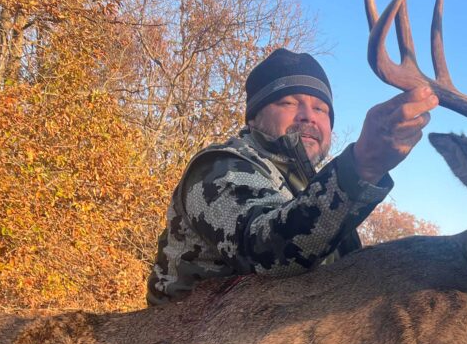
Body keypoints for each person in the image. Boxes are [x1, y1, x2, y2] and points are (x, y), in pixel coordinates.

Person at [146, 48, 438, 305]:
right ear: (254, 117)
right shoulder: (221, 166)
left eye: (321, 109)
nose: (308, 116)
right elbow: (264, 254)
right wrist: (360, 167)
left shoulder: (310, 189)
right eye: (288, 103)